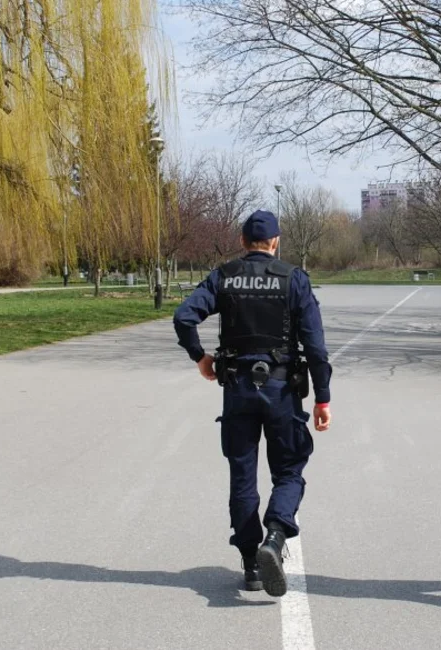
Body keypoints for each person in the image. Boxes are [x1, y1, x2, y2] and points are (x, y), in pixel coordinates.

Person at [173, 210, 332, 598]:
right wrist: (323, 397)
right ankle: (274, 538)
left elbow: (183, 317)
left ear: (243, 242)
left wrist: (200, 357)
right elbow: (315, 347)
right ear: (275, 242)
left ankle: (250, 564)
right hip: (281, 391)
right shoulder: (294, 279)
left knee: (242, 476)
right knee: (289, 470)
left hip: (238, 390)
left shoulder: (223, 276)